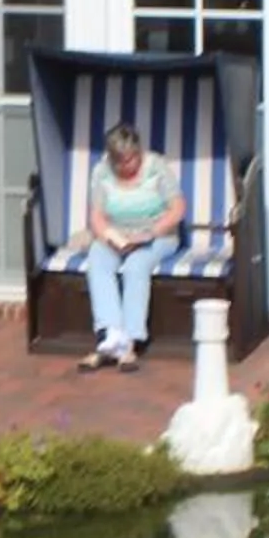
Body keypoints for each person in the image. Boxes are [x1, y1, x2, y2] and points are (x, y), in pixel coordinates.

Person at [78, 122, 185, 373]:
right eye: (120, 162)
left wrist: (149, 234)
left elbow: (177, 208)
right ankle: (111, 333)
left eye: (130, 160)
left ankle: (129, 343)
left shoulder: (156, 167)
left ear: (138, 153)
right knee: (97, 258)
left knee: (136, 267)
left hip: (157, 235)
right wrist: (110, 237)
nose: (126, 167)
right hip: (119, 235)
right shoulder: (102, 171)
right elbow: (97, 216)